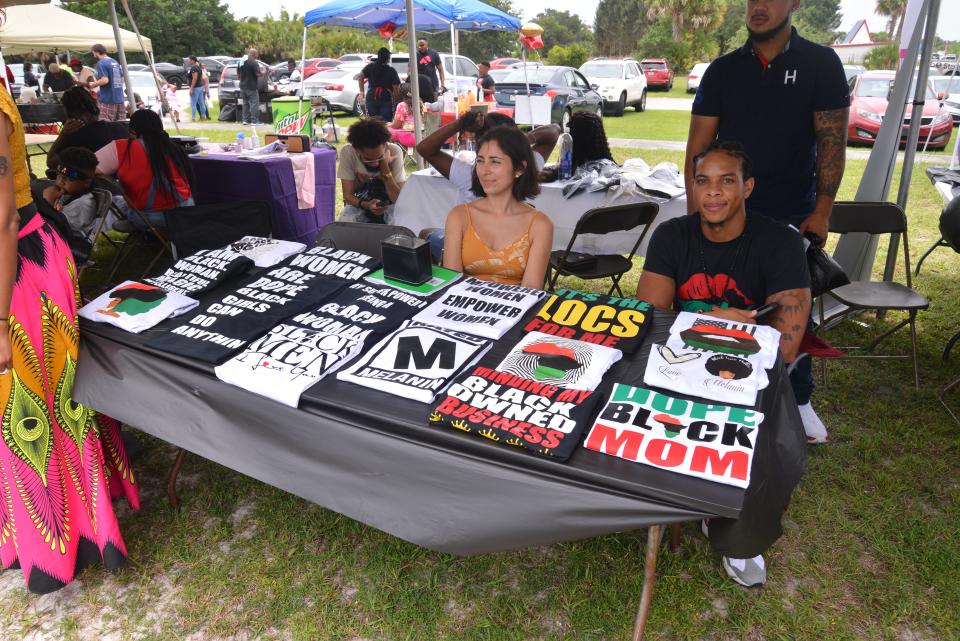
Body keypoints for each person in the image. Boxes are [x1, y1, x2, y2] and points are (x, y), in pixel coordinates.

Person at [635, 140, 811, 588]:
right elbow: (648, 320)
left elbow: (785, 346)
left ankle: (737, 533)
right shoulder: (673, 235)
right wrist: (715, 321)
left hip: (750, 375)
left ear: (747, 187)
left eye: (726, 181)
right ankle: (651, 500)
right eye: (703, 182)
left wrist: (715, 331)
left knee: (763, 434)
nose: (713, 193)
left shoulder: (779, 243)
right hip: (680, 361)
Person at [0, 57, 138, 595]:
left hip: (19, 266)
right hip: (19, 257)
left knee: (34, 402)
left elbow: (6, 217)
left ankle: (67, 530)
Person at [686, 0, 849, 444]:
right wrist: (694, 211)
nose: (759, 6)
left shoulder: (820, 62)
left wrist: (822, 209)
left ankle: (798, 401)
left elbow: (831, 142)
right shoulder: (722, 70)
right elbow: (697, 147)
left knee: (791, 313)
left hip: (792, 216)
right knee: (723, 303)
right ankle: (717, 392)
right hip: (729, 213)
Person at [442, 126, 553, 288]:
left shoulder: (540, 225)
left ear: (520, 168)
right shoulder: (459, 216)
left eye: (495, 162)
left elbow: (531, 292)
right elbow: (451, 285)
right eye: (480, 161)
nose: (484, 171)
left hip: (516, 309)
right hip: (463, 307)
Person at [417, 111, 560, 204]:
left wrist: (461, 123)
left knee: (426, 233)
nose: (486, 172)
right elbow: (555, 130)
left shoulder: (469, 175)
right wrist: (524, 139)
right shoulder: (526, 166)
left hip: (474, 244)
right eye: (481, 161)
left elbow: (425, 149)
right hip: (511, 242)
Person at [95, 109, 194, 228]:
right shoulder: (176, 148)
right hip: (185, 212)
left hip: (148, 218)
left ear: (132, 131)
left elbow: (87, 167)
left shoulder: (122, 147)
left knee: (115, 199)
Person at [337, 118, 405, 224]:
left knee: (398, 223)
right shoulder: (348, 152)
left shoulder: (395, 151)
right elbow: (348, 196)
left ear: (386, 146)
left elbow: (398, 199)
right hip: (361, 203)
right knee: (347, 223)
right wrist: (367, 205)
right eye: (368, 159)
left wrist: (385, 168)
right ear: (356, 149)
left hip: (391, 206)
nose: (374, 163)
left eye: (379, 157)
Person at [46, 86, 129, 173]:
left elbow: (50, 162)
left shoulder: (75, 136)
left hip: (97, 184)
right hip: (124, 182)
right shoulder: (121, 128)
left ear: (71, 114)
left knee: (55, 172)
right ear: (94, 104)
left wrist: (63, 134)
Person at [41, 146, 112, 247]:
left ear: (86, 183)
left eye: (68, 179)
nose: (61, 181)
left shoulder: (82, 203)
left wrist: (47, 201)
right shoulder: (66, 194)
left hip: (67, 248)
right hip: (56, 241)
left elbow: (50, 228)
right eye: (59, 175)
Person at [359, 48, 401, 122]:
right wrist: (397, 101)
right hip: (385, 97)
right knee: (385, 122)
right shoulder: (391, 70)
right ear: (387, 58)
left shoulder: (370, 67)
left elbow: (360, 76)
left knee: (372, 122)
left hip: (371, 96)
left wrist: (362, 92)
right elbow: (395, 88)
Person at [88, 44, 127, 122]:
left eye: (93, 53)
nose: (93, 55)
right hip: (119, 98)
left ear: (96, 52)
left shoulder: (101, 63)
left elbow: (105, 80)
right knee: (121, 125)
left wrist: (93, 84)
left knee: (106, 125)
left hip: (108, 99)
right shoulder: (114, 62)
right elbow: (122, 79)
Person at [389, 82, 421, 149]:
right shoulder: (421, 103)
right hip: (422, 135)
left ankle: (397, 154)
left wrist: (388, 125)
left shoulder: (402, 105)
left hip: (408, 137)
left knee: (385, 130)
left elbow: (396, 125)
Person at [239, 48, 264, 125]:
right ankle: (255, 121)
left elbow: (238, 72)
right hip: (251, 86)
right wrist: (264, 72)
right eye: (256, 54)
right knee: (254, 103)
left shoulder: (242, 61)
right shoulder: (253, 62)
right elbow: (258, 74)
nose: (257, 56)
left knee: (245, 103)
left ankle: (245, 120)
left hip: (243, 86)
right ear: (253, 54)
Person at [187, 56, 206, 122]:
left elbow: (194, 78)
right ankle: (203, 117)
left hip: (195, 88)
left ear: (193, 60)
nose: (188, 61)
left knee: (193, 104)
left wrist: (191, 88)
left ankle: (193, 118)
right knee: (201, 103)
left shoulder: (194, 68)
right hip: (200, 87)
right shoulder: (198, 67)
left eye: (189, 60)